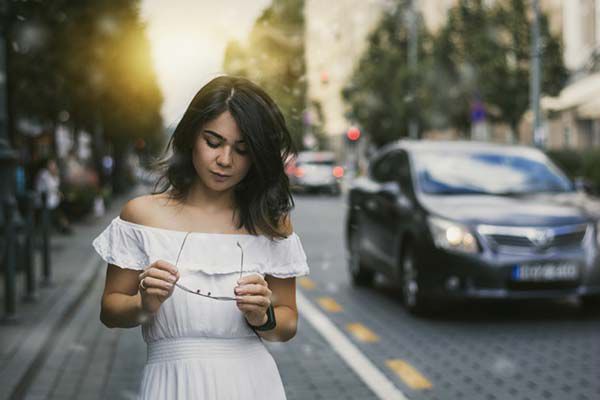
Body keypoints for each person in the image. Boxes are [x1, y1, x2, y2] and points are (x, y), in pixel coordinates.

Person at [92, 76, 309, 399]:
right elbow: (110, 311)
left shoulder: (270, 223)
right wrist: (144, 304)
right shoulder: (142, 217)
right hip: (172, 383)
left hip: (253, 384)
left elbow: (287, 325)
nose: (225, 160)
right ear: (191, 137)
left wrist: (262, 317)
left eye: (242, 150)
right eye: (213, 141)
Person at [35, 158, 73, 234]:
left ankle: (65, 226)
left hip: (53, 200)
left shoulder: (54, 175)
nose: (53, 167)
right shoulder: (44, 174)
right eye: (51, 165)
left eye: (54, 165)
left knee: (64, 206)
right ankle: (64, 226)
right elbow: (50, 187)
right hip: (45, 200)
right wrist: (58, 193)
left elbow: (56, 187)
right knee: (60, 209)